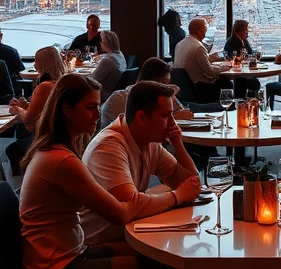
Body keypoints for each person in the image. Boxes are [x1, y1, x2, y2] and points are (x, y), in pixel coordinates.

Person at [20, 73, 188, 269]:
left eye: (98, 106)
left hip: (73, 249)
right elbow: (121, 214)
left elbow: (128, 206)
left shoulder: (58, 150)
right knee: (150, 262)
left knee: (151, 253)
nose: (98, 114)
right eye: (90, 107)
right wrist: (178, 196)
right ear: (67, 109)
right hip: (58, 262)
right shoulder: (61, 159)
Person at [82, 81, 202, 245]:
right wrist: (178, 196)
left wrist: (177, 143)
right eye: (166, 116)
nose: (173, 123)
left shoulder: (150, 142)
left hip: (131, 233)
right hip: (101, 243)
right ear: (141, 118)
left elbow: (190, 184)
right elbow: (132, 203)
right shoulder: (108, 147)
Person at [7, 46, 68, 175]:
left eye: (36, 61)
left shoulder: (45, 86)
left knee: (12, 150)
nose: (34, 64)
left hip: (47, 137)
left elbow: (30, 122)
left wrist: (17, 109)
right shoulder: (62, 82)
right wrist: (27, 105)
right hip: (61, 135)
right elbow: (45, 108)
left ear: (44, 63)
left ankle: (25, 183)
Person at [100, 57, 193, 130]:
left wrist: (172, 98)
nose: (166, 87)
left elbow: (185, 113)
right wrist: (172, 116)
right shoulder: (120, 99)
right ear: (152, 81)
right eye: (164, 83)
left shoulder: (159, 98)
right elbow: (136, 130)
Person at [172, 17, 232, 104]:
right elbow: (210, 71)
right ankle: (228, 108)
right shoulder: (199, 47)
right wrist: (224, 67)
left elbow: (193, 62)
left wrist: (209, 58)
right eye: (205, 29)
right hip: (200, 88)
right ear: (200, 31)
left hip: (185, 88)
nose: (205, 33)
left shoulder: (180, 44)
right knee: (227, 83)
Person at [90, 30, 127, 101]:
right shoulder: (119, 55)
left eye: (101, 40)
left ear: (106, 42)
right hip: (114, 92)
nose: (100, 43)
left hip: (103, 95)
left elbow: (93, 80)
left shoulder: (108, 60)